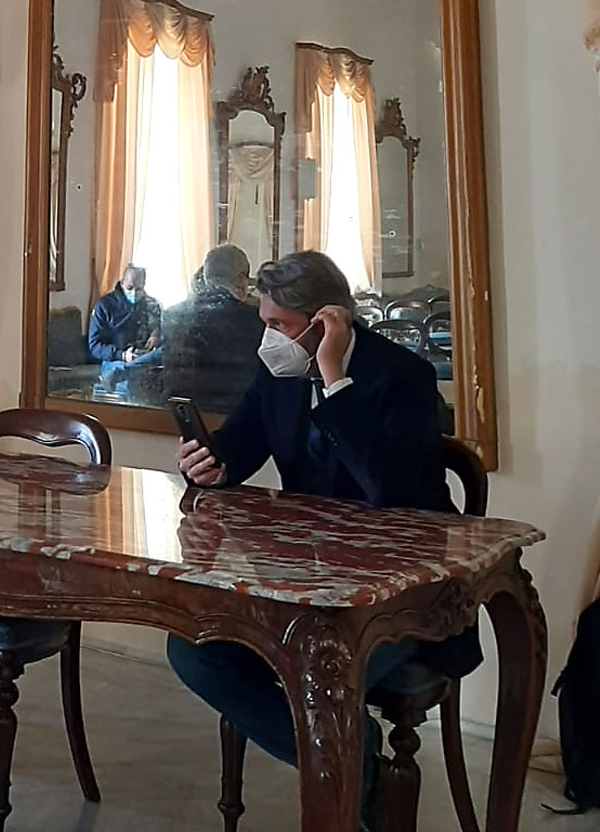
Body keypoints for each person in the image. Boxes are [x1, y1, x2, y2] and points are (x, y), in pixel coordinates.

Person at [166, 250, 476, 826]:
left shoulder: (404, 377)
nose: (267, 338)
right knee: (193, 649)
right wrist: (211, 464)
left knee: (315, 668)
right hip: (305, 583)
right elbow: (239, 445)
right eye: (264, 321)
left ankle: (347, 781)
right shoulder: (278, 373)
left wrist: (335, 380)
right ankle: (362, 772)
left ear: (326, 321)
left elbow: (386, 489)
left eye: (279, 324)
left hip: (398, 592)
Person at [159, 245, 264, 414]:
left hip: (180, 415)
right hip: (234, 417)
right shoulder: (255, 318)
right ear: (240, 280)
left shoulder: (173, 315)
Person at [88, 265, 163, 394]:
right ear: (122, 282)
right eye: (129, 288)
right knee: (131, 382)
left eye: (139, 289)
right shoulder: (104, 306)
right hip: (115, 360)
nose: (134, 293)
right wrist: (122, 355)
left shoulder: (152, 305)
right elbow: (95, 346)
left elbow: (163, 335)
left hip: (146, 359)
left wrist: (156, 335)